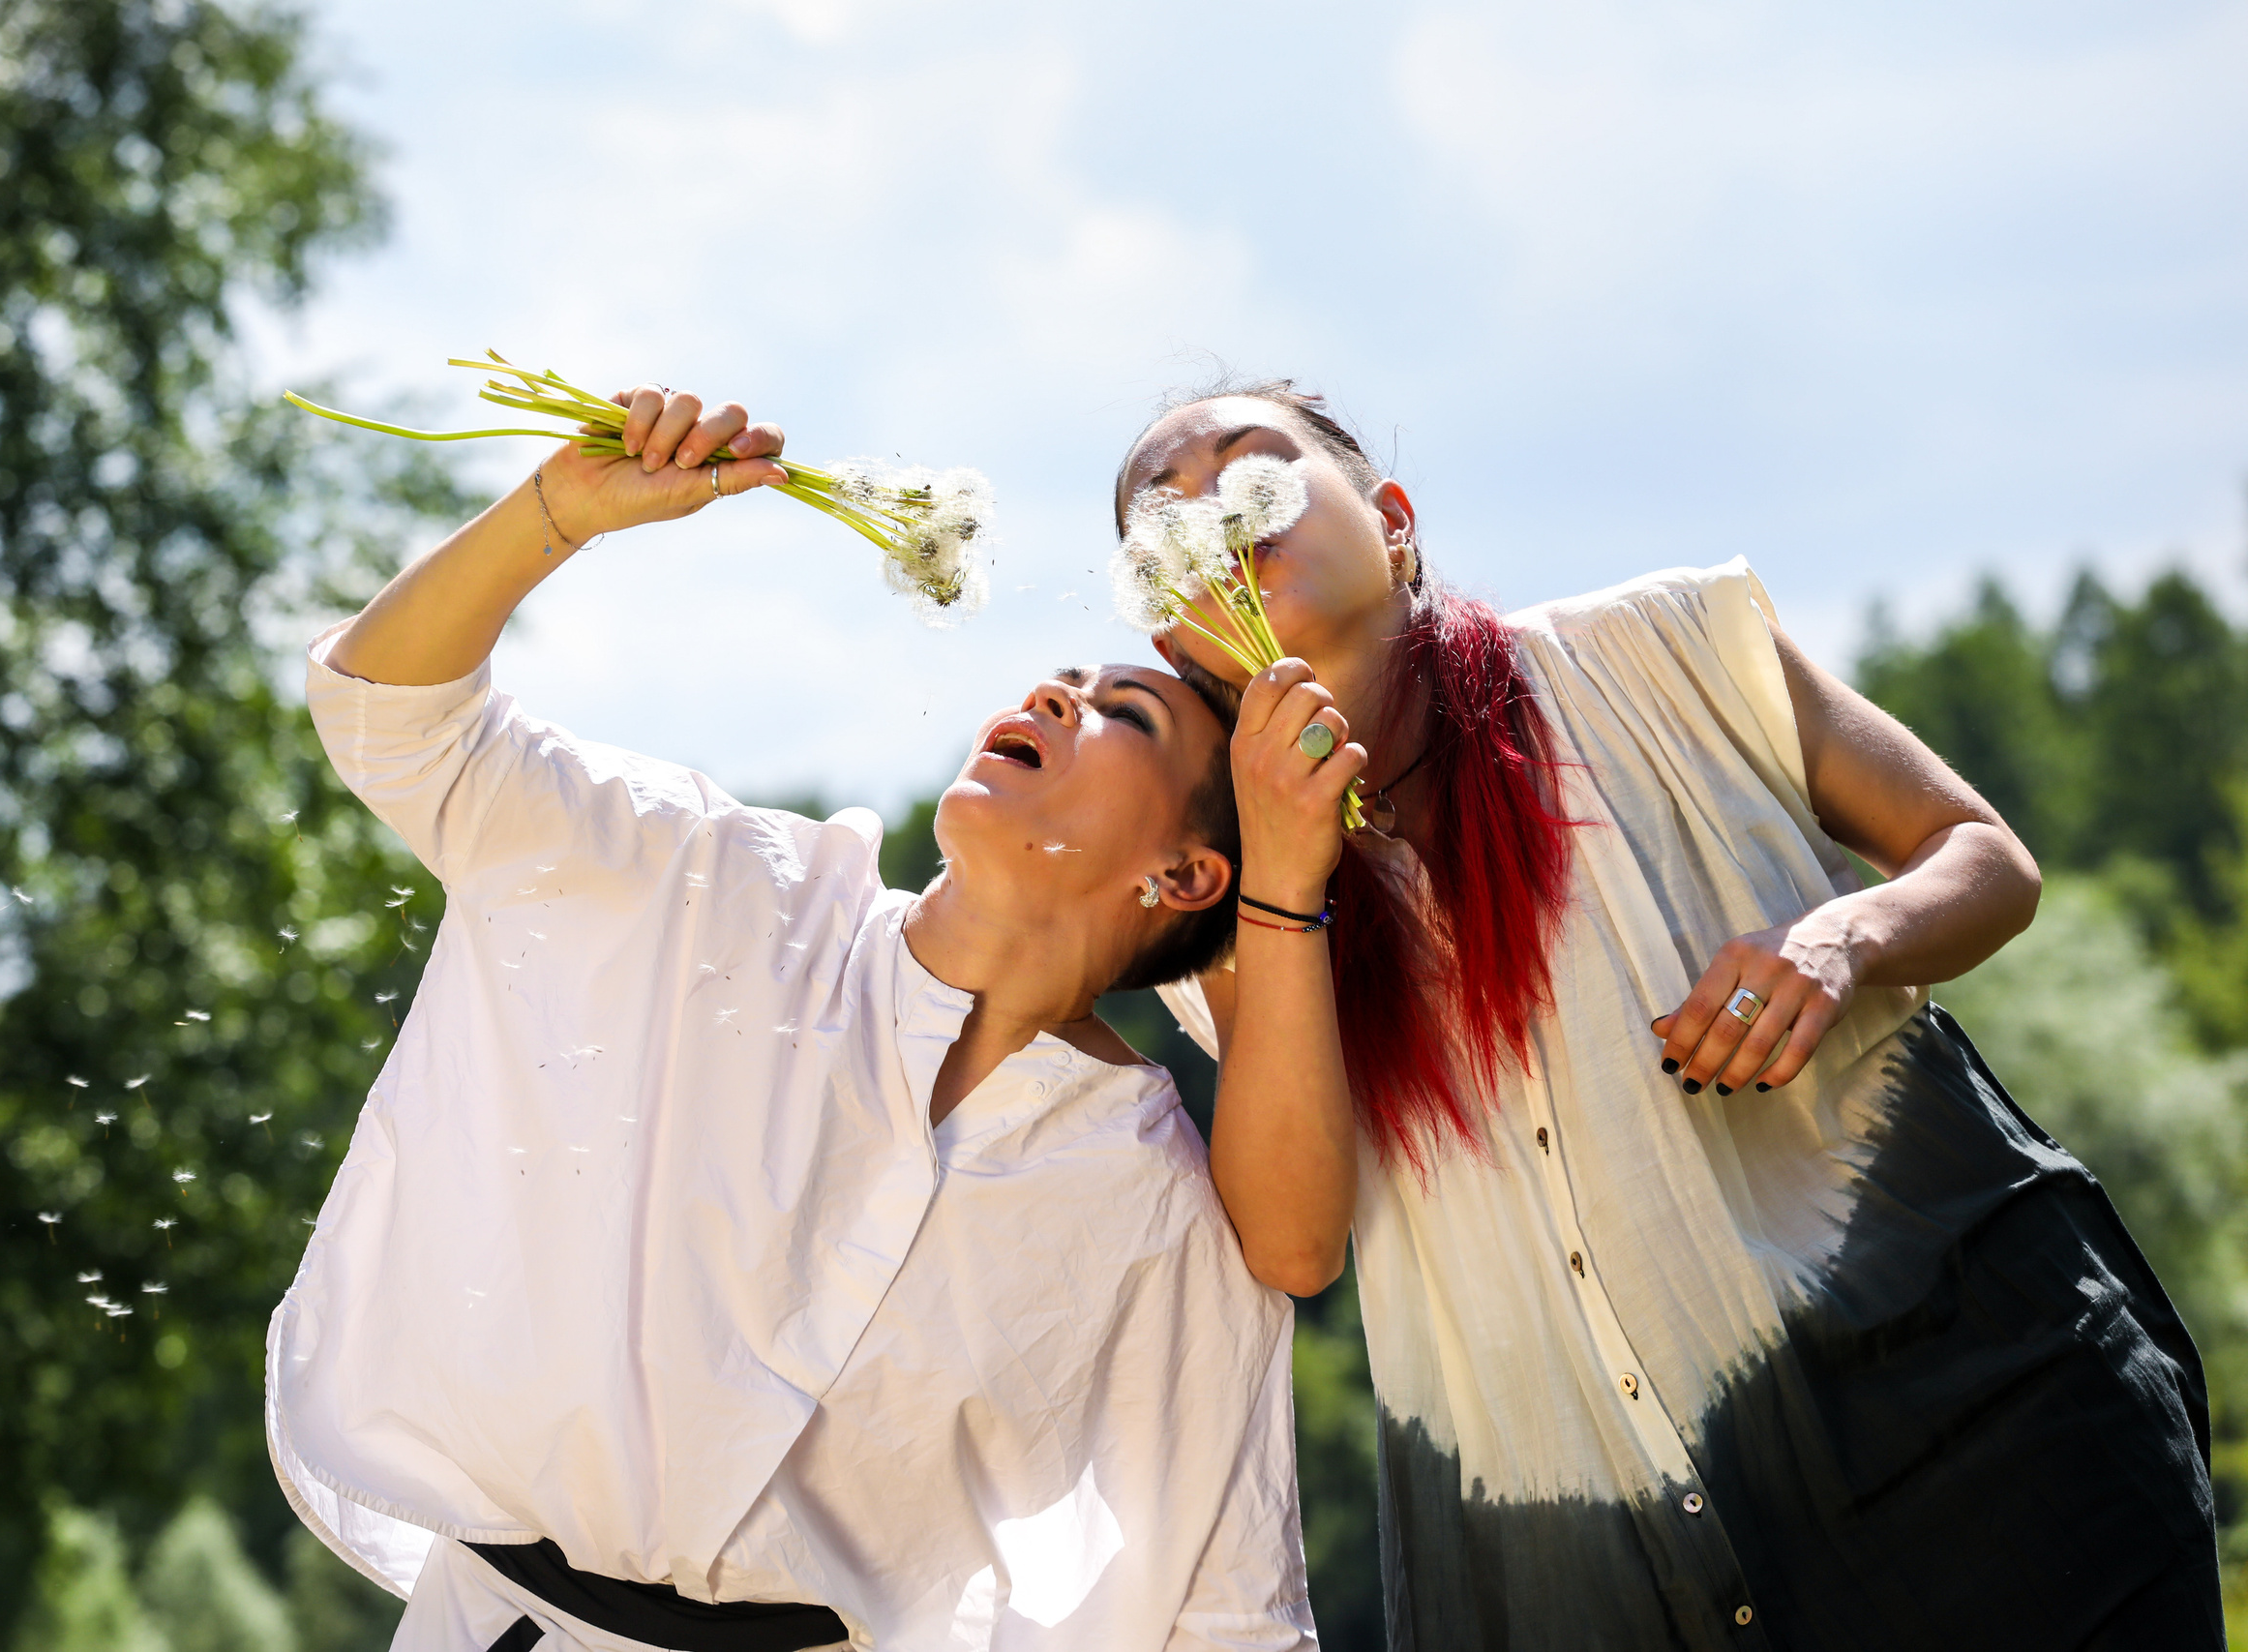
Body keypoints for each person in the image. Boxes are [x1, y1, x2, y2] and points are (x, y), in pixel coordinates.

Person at [1116, 380, 2221, 1650]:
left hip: (1985, 1462)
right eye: (1165, 510)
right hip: (1575, 1593)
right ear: (1174, 640)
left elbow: (1983, 858)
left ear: (1397, 525)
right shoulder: (1221, 914)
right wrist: (1289, 886)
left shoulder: (1663, 647)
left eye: (1251, 464)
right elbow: (1297, 1244)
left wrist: (1835, 942)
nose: (1207, 503)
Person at [267, 386, 1321, 1651]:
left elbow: (1229, 1601)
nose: (1054, 695)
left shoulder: (1148, 1201)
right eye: (1063, 677)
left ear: (1187, 876)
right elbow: (393, 721)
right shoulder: (714, 881)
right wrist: (556, 514)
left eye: (1120, 713)